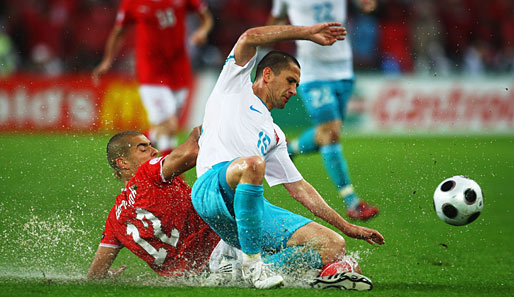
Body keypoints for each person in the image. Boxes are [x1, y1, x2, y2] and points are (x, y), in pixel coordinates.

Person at [192, 23, 385, 290]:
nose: (294, 91)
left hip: (246, 210)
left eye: (297, 84)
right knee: (253, 164)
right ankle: (254, 266)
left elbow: (299, 189)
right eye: (290, 81)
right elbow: (249, 36)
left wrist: (347, 227)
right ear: (268, 74)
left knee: (332, 246)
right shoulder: (234, 84)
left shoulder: (275, 134)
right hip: (212, 189)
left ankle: (238, 271)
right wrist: (306, 34)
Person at [267, 0, 379, 220]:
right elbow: (275, 20)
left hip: (344, 69)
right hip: (312, 72)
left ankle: (290, 149)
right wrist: (262, 47)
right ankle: (352, 202)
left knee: (327, 134)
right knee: (330, 133)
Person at [87, 127, 224, 279]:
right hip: (223, 251)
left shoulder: (115, 220)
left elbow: (95, 274)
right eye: (143, 149)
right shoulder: (146, 175)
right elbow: (191, 154)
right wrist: (198, 132)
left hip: (194, 277)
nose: (155, 151)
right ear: (123, 162)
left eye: (151, 145)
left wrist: (109, 274)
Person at [92, 0, 214, 155]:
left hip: (179, 69)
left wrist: (203, 30)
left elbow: (206, 17)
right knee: (169, 124)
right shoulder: (132, 3)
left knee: (166, 127)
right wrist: (107, 61)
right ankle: (169, 173)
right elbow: (119, 31)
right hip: (151, 71)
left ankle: (132, 150)